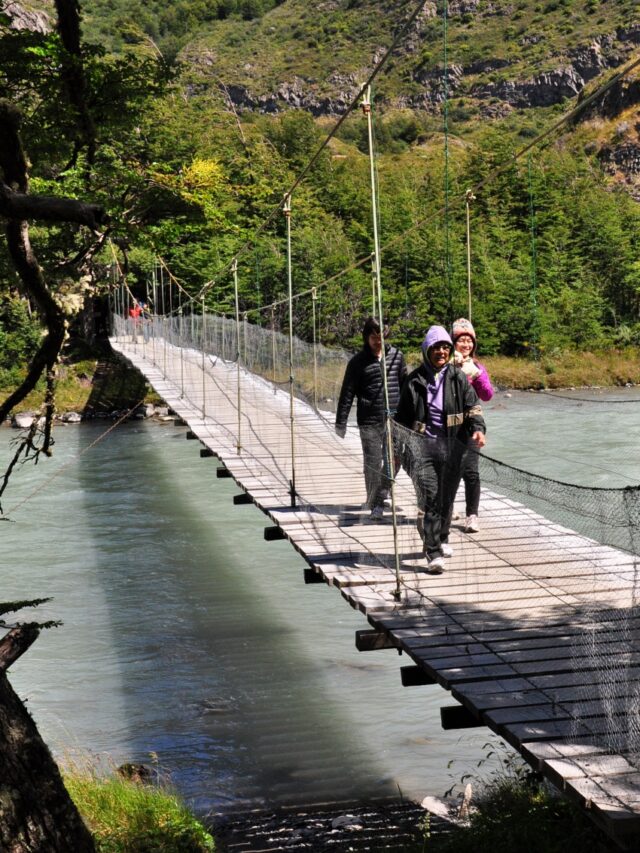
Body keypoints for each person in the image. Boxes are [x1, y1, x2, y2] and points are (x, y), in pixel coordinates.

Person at [395, 325, 486, 573]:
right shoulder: (414, 381)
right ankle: (433, 552)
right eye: (436, 348)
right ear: (427, 350)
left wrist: (478, 429)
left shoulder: (458, 378)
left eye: (445, 347)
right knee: (432, 497)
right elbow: (401, 419)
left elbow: (473, 408)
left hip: (453, 449)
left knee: (446, 499)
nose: (442, 352)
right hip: (422, 451)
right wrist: (396, 449)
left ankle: (442, 537)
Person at [335, 317, 407, 520]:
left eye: (381, 336)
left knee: (393, 459)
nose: (378, 341)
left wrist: (410, 416)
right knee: (373, 461)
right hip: (369, 420)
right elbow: (347, 393)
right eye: (374, 336)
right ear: (366, 337)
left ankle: (383, 491)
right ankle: (374, 499)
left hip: (394, 418)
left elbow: (405, 386)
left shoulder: (396, 357)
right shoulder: (357, 362)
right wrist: (341, 422)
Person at [451, 318, 494, 533]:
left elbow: (487, 395)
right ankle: (447, 507)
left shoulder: (476, 366)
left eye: (469, 341)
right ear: (453, 343)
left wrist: (475, 376)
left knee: (471, 471)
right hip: (447, 426)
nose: (466, 345)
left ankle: (472, 515)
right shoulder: (444, 362)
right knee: (448, 470)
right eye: (461, 340)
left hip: (471, 425)